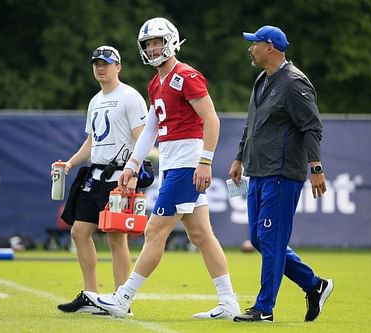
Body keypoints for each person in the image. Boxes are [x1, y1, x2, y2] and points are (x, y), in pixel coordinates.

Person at [83, 17, 241, 320]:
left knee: (154, 231)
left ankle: (123, 297)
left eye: (157, 42)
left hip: (186, 164)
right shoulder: (156, 83)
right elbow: (153, 128)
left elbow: (212, 120)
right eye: (148, 44)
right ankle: (228, 302)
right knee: (202, 236)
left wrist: (205, 161)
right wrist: (132, 165)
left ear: (171, 41)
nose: (153, 48)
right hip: (173, 164)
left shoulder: (187, 75)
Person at [228, 25, 334, 323]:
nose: (250, 48)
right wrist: (239, 158)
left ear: (271, 47)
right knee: (260, 239)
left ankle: (264, 308)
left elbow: (312, 126)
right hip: (258, 170)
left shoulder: (294, 82)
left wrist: (316, 167)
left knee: (270, 239)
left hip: (282, 172)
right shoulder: (263, 79)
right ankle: (314, 285)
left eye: (255, 44)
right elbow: (253, 125)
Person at [55, 45, 147, 314]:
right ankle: (91, 295)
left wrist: (133, 171)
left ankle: (121, 300)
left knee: (116, 238)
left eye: (106, 63)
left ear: (118, 66)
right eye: (96, 63)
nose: (100, 67)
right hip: (94, 176)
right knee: (79, 232)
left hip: (119, 177)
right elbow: (92, 141)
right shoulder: (95, 100)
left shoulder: (130, 96)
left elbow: (142, 137)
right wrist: (71, 163)